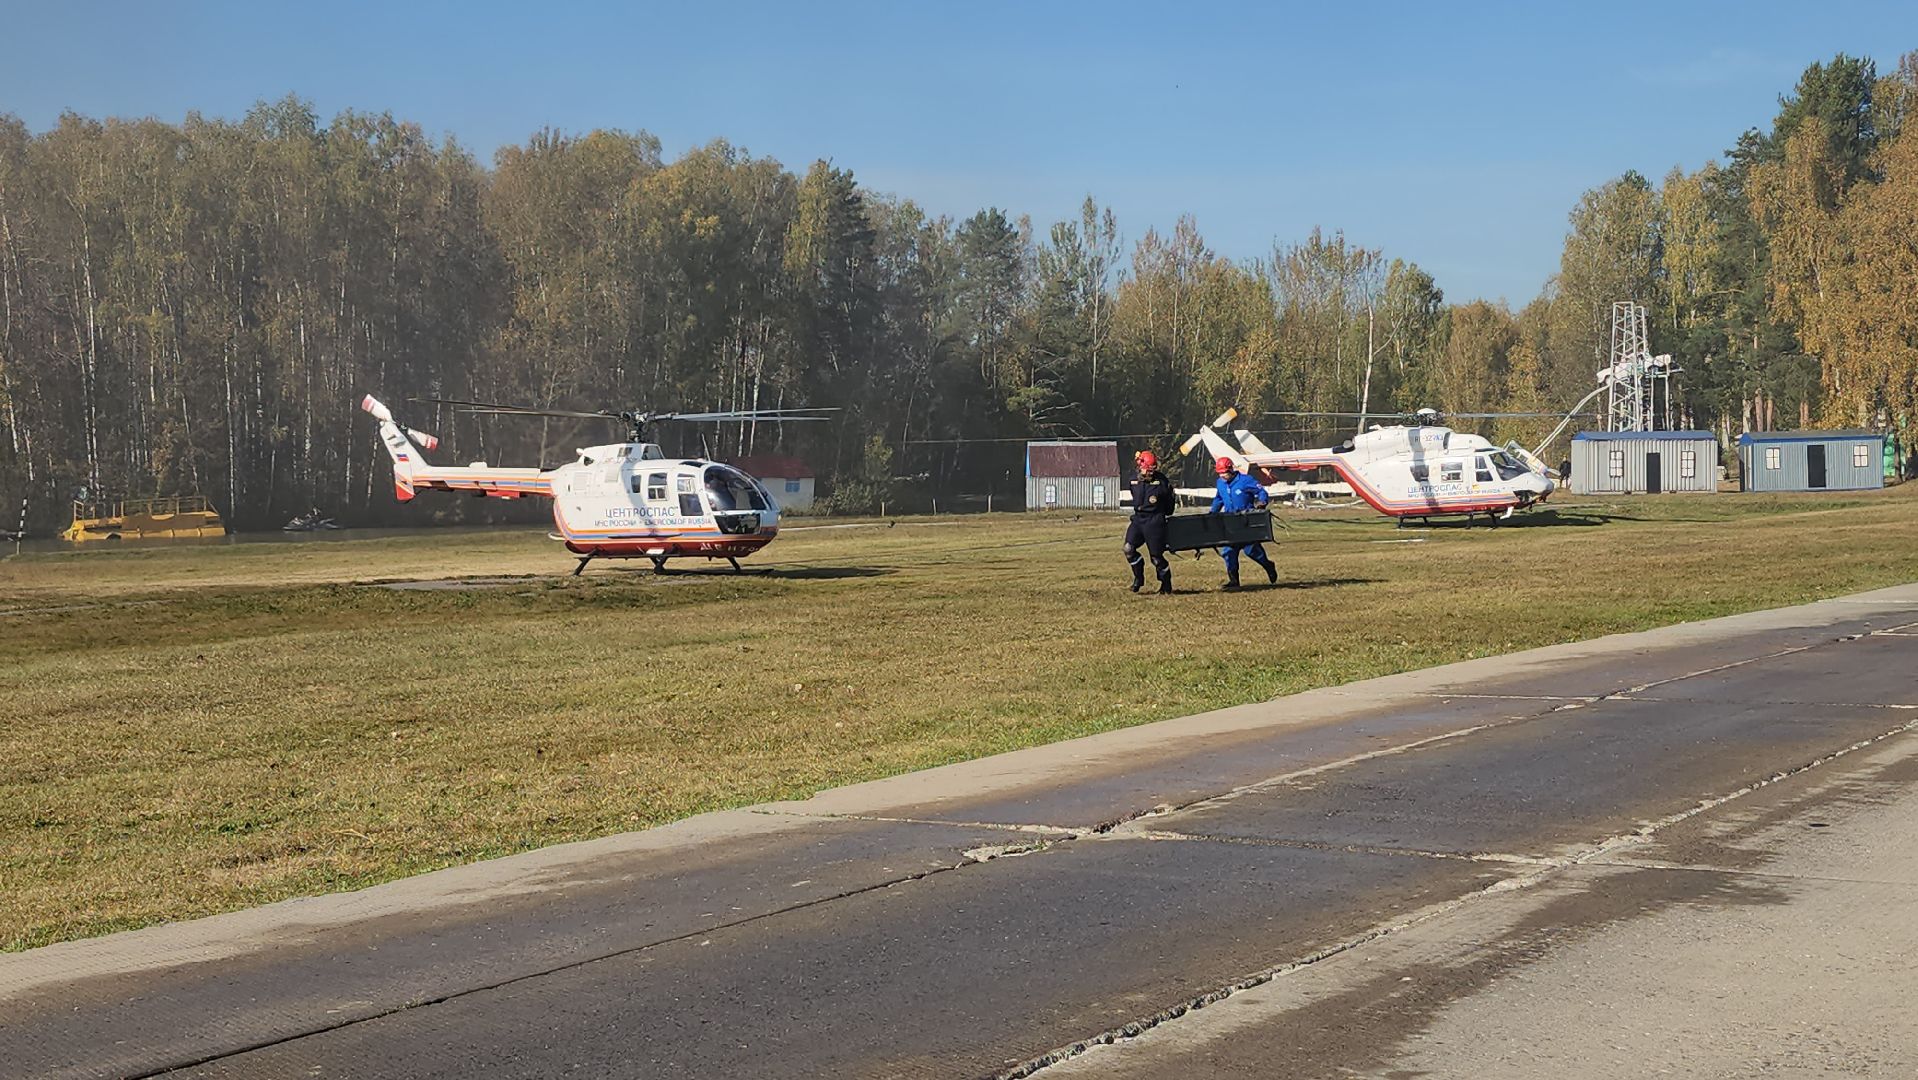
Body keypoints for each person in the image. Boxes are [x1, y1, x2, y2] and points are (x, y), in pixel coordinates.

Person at [1210, 456, 1277, 589]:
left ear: (1231, 469)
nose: (1223, 476)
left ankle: (1268, 565)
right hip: (1230, 523)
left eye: (1225, 473)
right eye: (1220, 473)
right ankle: (1234, 581)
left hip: (1246, 522)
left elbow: (1261, 491)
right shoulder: (1220, 483)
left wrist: (1262, 502)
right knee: (1228, 551)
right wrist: (1213, 513)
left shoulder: (1246, 480)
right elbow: (1219, 499)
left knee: (1251, 551)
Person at [1124, 450, 1174, 594]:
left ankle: (1166, 585)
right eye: (1147, 469)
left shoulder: (1162, 482)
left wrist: (1164, 515)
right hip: (1138, 519)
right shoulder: (1133, 479)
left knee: (1156, 557)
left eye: (1153, 470)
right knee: (1128, 549)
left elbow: (1169, 502)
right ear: (1140, 465)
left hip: (1154, 521)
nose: (1150, 473)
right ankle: (1138, 578)